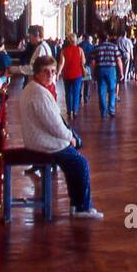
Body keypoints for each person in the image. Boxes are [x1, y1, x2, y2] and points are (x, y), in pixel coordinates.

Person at [17, 55, 103, 219]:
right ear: (37, 73)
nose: (50, 75)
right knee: (80, 163)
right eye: (46, 72)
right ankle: (82, 207)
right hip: (44, 143)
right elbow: (54, 124)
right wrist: (69, 137)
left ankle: (77, 205)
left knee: (73, 163)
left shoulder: (33, 88)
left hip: (39, 138)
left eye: (53, 72)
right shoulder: (39, 93)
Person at [92, 32, 124, 118]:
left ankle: (103, 112)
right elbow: (118, 60)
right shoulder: (114, 47)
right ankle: (111, 110)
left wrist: (93, 72)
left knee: (102, 91)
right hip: (111, 69)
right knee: (112, 90)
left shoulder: (97, 48)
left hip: (100, 69)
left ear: (100, 38)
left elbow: (93, 62)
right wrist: (121, 72)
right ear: (108, 38)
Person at [59, 33, 86, 119]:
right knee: (76, 92)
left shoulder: (64, 51)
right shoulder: (80, 50)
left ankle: (69, 109)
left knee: (68, 93)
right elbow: (83, 62)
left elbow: (61, 63)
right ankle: (75, 110)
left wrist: (58, 73)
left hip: (66, 74)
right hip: (77, 73)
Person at [78, 33, 96, 104]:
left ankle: (79, 96)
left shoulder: (79, 46)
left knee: (80, 82)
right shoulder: (92, 46)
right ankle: (86, 97)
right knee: (87, 83)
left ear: (83, 38)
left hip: (80, 65)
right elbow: (93, 58)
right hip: (88, 65)